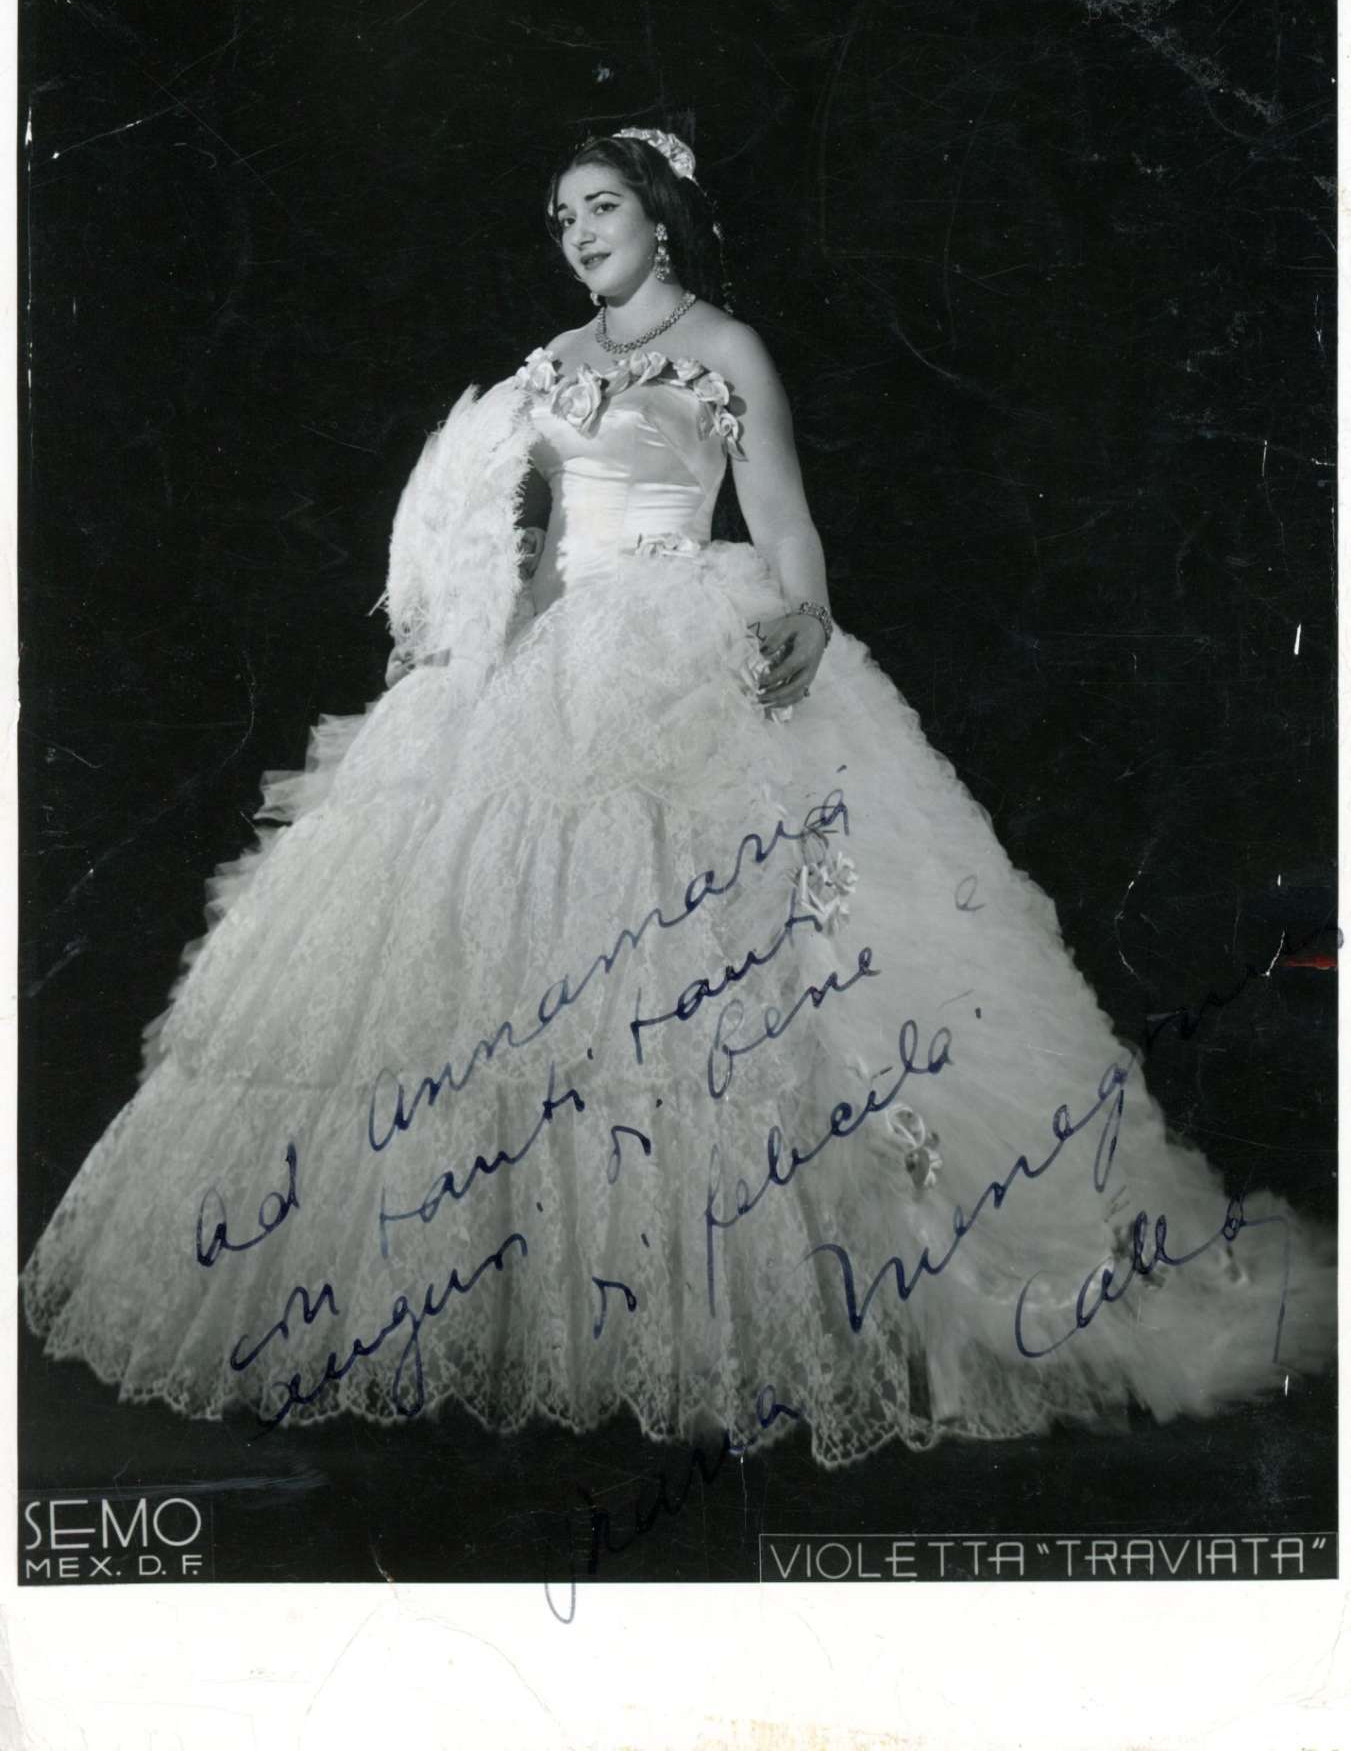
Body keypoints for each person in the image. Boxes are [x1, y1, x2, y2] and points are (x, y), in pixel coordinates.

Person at [22, 128, 1333, 1466]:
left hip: (688, 636)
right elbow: (529, 549)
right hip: (554, 660)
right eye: (561, 218)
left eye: (601, 207)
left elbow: (782, 514)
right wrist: (469, 653)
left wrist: (810, 616)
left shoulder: (724, 348)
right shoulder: (548, 365)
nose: (580, 234)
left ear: (659, 216)